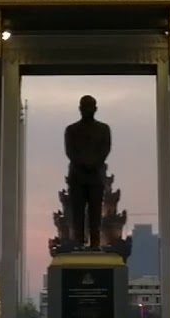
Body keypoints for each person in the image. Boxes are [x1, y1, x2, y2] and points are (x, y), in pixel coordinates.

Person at [63, 94, 111, 248]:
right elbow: (70, 151)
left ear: (95, 109)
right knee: (77, 211)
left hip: (95, 175)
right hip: (77, 175)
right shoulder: (71, 130)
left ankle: (95, 241)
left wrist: (93, 163)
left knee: (96, 210)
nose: (87, 110)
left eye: (90, 107)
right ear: (80, 109)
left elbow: (105, 149)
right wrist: (83, 163)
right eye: (84, 107)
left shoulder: (103, 129)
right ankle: (78, 240)